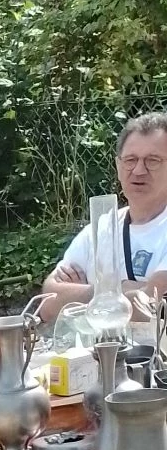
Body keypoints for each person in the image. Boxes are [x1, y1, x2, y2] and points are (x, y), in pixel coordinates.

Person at [41, 111, 167, 317]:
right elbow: (48, 303)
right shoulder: (101, 229)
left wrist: (83, 293)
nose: (138, 170)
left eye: (152, 160)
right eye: (130, 160)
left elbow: (150, 307)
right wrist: (117, 290)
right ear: (118, 166)